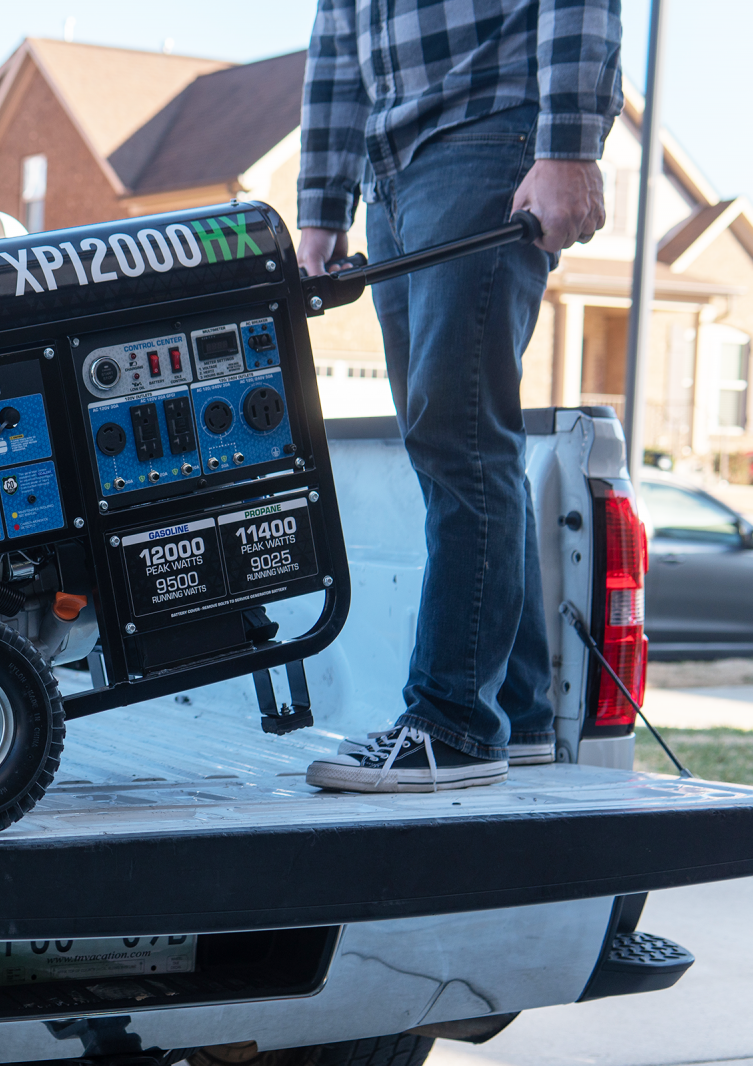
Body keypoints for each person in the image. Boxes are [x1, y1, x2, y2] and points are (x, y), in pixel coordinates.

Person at [296, 0, 623, 793]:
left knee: (458, 438)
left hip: (488, 129)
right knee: (454, 439)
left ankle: (454, 721)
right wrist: (321, 208)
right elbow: (338, 38)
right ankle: (521, 711)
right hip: (392, 164)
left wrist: (569, 146)